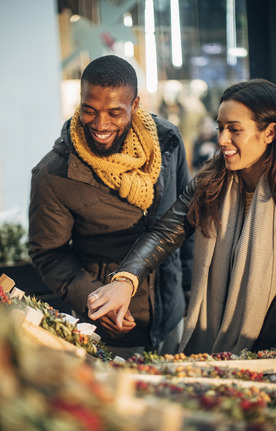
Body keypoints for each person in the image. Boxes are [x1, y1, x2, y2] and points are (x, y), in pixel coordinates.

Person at [87, 78, 276, 356]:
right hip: (215, 345)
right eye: (220, 128)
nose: (222, 139)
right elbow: (166, 232)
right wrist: (125, 280)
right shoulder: (211, 182)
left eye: (234, 130)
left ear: (270, 132)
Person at [28, 55, 194, 359]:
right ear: (80, 102)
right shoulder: (55, 174)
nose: (100, 124)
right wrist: (92, 299)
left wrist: (190, 289)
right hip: (109, 333)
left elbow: (186, 218)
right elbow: (48, 252)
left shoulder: (167, 141)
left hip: (173, 319)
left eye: (115, 112)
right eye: (89, 111)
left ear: (136, 105)